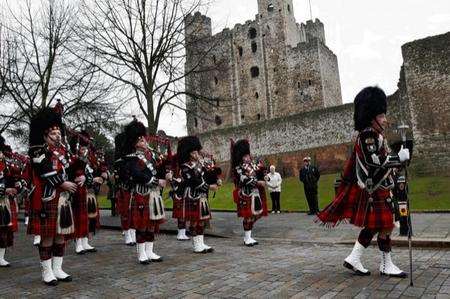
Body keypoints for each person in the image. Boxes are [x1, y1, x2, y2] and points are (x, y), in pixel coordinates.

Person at [317, 86, 410, 278]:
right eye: (382, 115)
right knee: (385, 226)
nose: (385, 119)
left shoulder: (377, 136)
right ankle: (385, 264)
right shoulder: (367, 135)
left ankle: (355, 257)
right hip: (373, 188)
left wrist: (400, 160)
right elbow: (373, 160)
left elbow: (384, 163)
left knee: (380, 226)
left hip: (382, 187)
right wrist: (397, 158)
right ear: (371, 116)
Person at [28, 107, 76, 285]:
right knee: (48, 235)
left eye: (58, 132)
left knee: (60, 235)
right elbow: (44, 170)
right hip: (47, 197)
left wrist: (77, 174)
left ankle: (58, 269)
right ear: (44, 135)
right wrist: (62, 183)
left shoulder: (64, 151)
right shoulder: (37, 151)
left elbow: (69, 170)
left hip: (63, 199)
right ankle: (47, 272)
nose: (57, 136)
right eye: (53, 133)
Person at [121, 120, 166, 264]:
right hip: (141, 194)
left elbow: (158, 171)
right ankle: (141, 253)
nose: (144, 141)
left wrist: (165, 173)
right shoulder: (132, 158)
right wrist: (156, 181)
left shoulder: (151, 156)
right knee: (142, 225)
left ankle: (150, 251)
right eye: (140, 139)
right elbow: (137, 175)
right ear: (134, 143)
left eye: (143, 138)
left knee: (152, 224)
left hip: (153, 194)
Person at [177, 136, 219, 253]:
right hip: (192, 195)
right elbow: (194, 181)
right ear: (189, 153)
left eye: (197, 151)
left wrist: (215, 180)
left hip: (202, 196)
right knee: (194, 221)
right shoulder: (185, 167)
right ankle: (196, 245)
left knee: (201, 220)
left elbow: (207, 176)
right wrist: (209, 187)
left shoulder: (201, 164)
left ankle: (201, 242)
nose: (197, 153)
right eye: (194, 151)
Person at [231, 139, 268, 247]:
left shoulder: (253, 165)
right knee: (248, 216)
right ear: (241, 156)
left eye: (248, 155)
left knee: (257, 215)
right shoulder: (238, 168)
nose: (248, 158)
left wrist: (264, 175)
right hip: (246, 194)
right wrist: (258, 182)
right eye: (245, 156)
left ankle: (248, 236)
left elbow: (259, 173)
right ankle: (247, 238)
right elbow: (244, 180)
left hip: (256, 194)